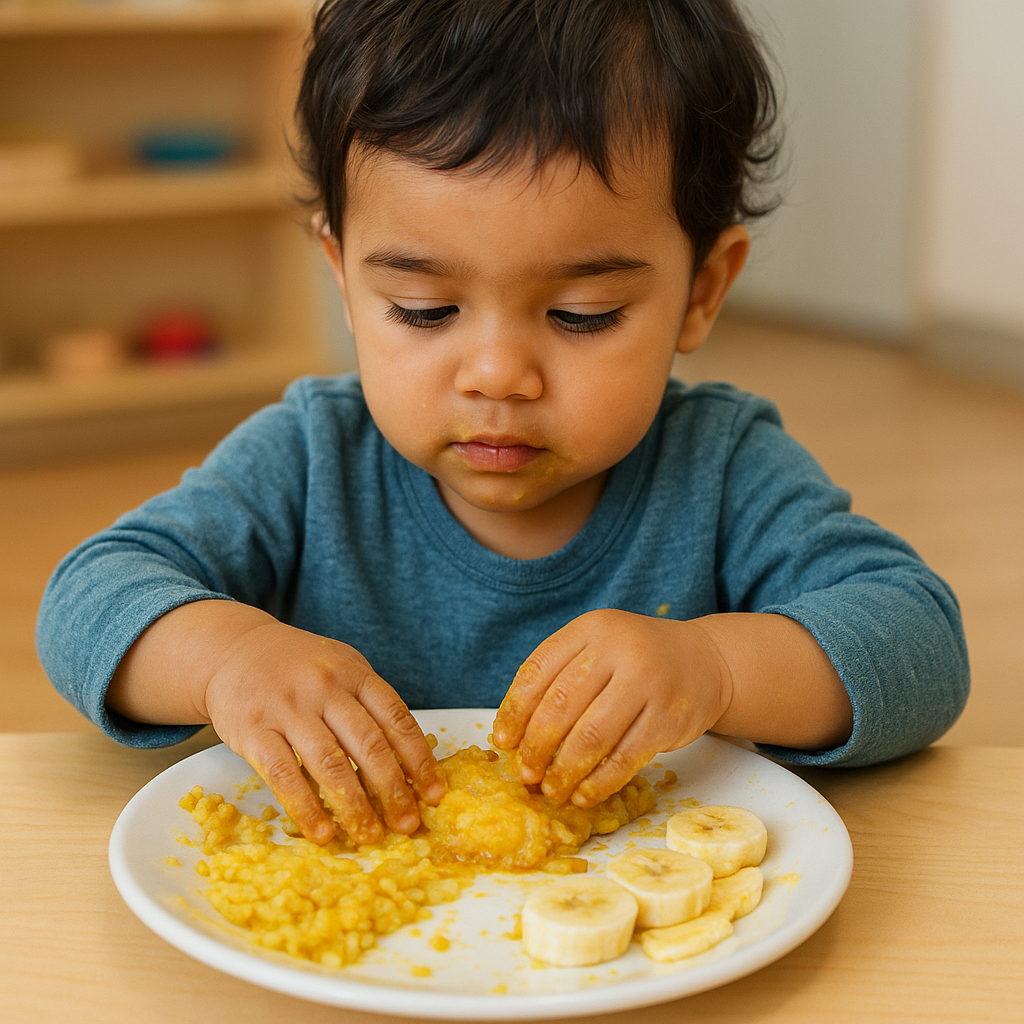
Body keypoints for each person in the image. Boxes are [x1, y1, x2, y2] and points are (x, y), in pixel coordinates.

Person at [37, 0, 968, 848]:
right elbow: (89, 595)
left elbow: (920, 646)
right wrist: (227, 661)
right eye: (423, 309)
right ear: (344, 276)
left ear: (703, 291)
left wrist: (717, 666)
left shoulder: (721, 468)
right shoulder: (313, 458)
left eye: (582, 315)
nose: (496, 376)